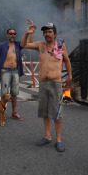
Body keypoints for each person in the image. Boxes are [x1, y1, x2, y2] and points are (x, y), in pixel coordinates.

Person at [21, 20, 72, 152]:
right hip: (43, 83)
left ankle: (58, 140)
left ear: (55, 34)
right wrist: (28, 32)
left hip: (56, 83)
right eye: (45, 32)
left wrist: (70, 76)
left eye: (50, 32)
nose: (47, 34)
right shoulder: (40, 45)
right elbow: (23, 44)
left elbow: (66, 60)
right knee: (44, 111)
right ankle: (47, 136)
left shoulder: (60, 46)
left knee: (57, 112)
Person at [0, 23, 34, 121]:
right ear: (7, 35)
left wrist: (31, 31)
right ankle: (3, 112)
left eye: (14, 34)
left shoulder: (18, 45)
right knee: (5, 93)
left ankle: (14, 113)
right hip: (5, 71)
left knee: (14, 94)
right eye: (10, 34)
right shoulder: (2, 45)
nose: (12, 35)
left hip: (15, 71)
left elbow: (30, 41)